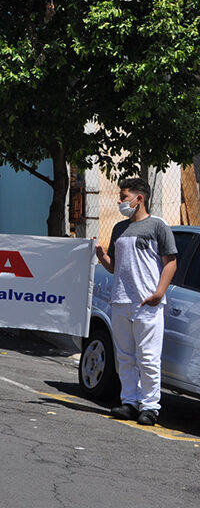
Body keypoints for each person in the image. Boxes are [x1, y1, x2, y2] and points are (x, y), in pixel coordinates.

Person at [95, 177, 177, 426]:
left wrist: (159, 293)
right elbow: (115, 267)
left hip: (147, 304)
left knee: (148, 357)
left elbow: (170, 262)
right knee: (125, 357)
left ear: (139, 198)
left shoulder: (158, 226)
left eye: (124, 197)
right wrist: (101, 256)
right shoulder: (119, 228)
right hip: (120, 301)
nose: (120, 201)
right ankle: (129, 402)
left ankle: (150, 407)